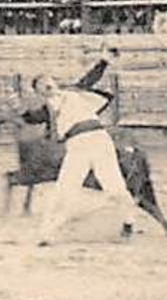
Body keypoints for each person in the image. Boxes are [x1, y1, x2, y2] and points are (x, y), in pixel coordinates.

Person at [22, 58, 142, 245]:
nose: (46, 85)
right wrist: (19, 110)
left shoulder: (74, 92)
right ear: (39, 93)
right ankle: (47, 233)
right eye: (40, 86)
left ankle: (129, 220)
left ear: (54, 82)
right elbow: (32, 118)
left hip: (99, 140)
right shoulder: (49, 109)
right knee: (64, 191)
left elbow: (90, 78)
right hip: (77, 146)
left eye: (47, 81)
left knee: (115, 188)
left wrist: (103, 61)